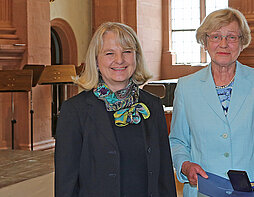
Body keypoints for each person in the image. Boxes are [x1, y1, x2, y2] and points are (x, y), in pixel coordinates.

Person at [169, 8, 254, 196]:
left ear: (242, 43)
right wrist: (185, 165)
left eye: (232, 37)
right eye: (216, 36)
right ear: (205, 42)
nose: (223, 44)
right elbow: (178, 141)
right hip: (204, 190)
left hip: (253, 188)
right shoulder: (186, 87)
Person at [55, 22, 177, 197]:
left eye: (127, 52)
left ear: (136, 57)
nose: (119, 60)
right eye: (109, 53)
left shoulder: (152, 106)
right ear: (96, 61)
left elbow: (164, 173)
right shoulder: (75, 110)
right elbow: (66, 182)